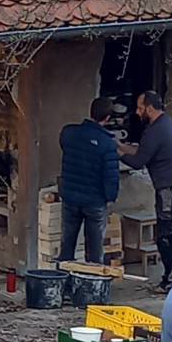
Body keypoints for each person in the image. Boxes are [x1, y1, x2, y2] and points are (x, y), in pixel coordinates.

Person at [118, 90, 172, 289]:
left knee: (167, 235)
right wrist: (120, 145)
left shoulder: (155, 132)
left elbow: (138, 162)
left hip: (171, 189)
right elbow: (143, 150)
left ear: (150, 109)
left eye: (140, 108)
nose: (137, 112)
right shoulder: (165, 124)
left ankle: (170, 280)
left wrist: (116, 153)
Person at [57, 96, 121, 264]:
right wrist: (110, 198)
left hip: (70, 197)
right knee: (94, 250)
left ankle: (63, 281)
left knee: (67, 244)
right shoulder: (108, 145)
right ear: (107, 118)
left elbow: (65, 146)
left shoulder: (69, 133)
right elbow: (111, 177)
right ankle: (91, 283)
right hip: (95, 201)